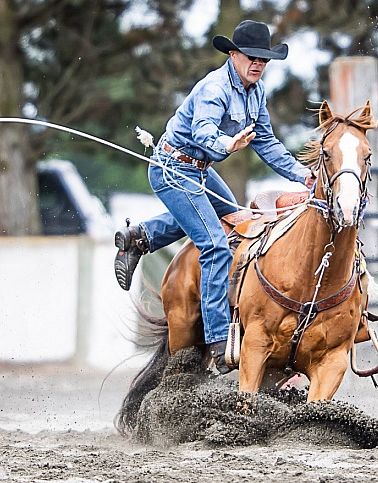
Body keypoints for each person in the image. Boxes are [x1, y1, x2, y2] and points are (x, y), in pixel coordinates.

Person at [114, 20, 312, 371]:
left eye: (264, 60)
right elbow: (204, 132)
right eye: (251, 57)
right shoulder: (214, 88)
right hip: (173, 168)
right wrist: (226, 144)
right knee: (216, 245)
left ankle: (140, 238)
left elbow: (267, 143)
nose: (258, 64)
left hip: (200, 171)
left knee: (235, 219)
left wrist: (304, 176)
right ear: (234, 55)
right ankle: (219, 340)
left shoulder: (257, 91)